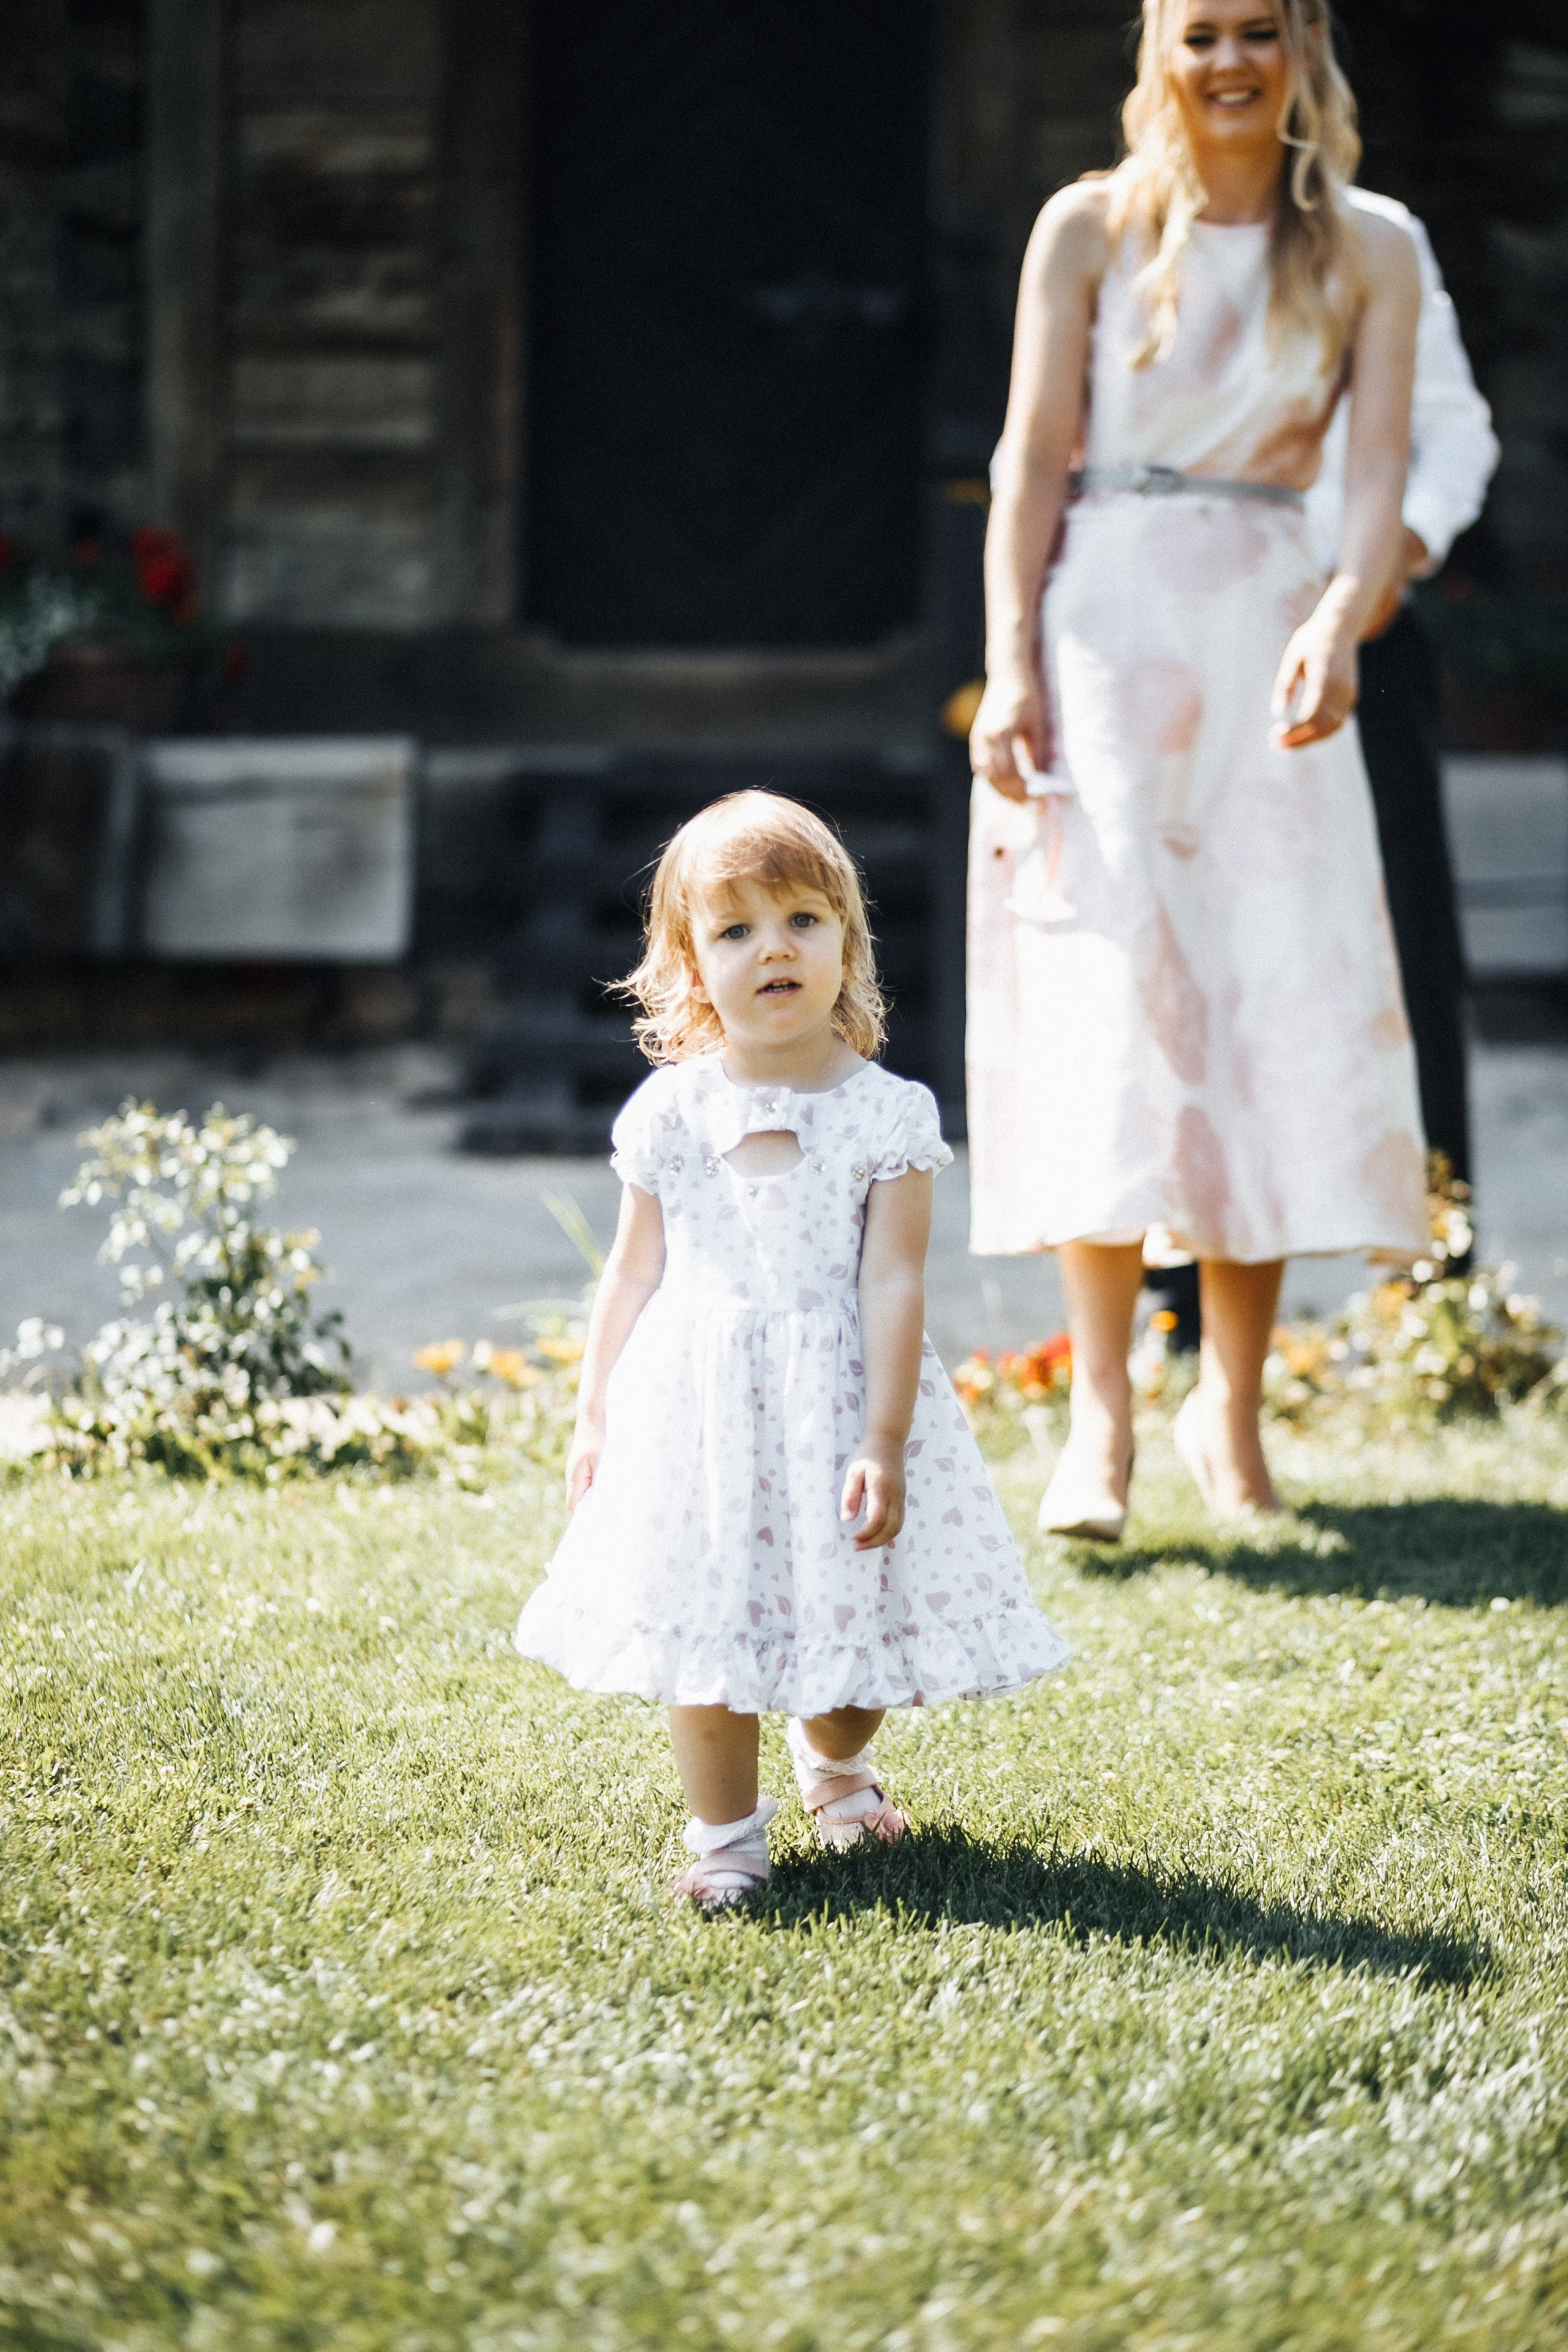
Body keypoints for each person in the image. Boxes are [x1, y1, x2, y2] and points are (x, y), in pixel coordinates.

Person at [967, 0, 1428, 1537]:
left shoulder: (1373, 247)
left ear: (1300, 46)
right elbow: (1031, 460)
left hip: (1268, 631)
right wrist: (1013, 662)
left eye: (1254, 30)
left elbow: (1375, 475)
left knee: (1265, 1003)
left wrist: (1340, 618)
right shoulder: (1085, 230)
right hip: (1104, 632)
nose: (1226, 61)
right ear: (1156, 52)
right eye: (1196, 32)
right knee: (1111, 1005)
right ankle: (1097, 1414)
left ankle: (1227, 1410)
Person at [516, 792, 1069, 1909]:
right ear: (688, 966)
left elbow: (895, 1275)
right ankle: (725, 1836)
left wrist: (885, 1437)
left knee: (851, 1621)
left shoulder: (888, 1116)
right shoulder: (672, 1113)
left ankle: (840, 1763)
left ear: (846, 943)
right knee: (708, 1625)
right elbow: (631, 1271)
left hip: (843, 1400)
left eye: (803, 921)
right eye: (736, 931)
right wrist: (593, 1415)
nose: (774, 948)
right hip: (696, 1408)